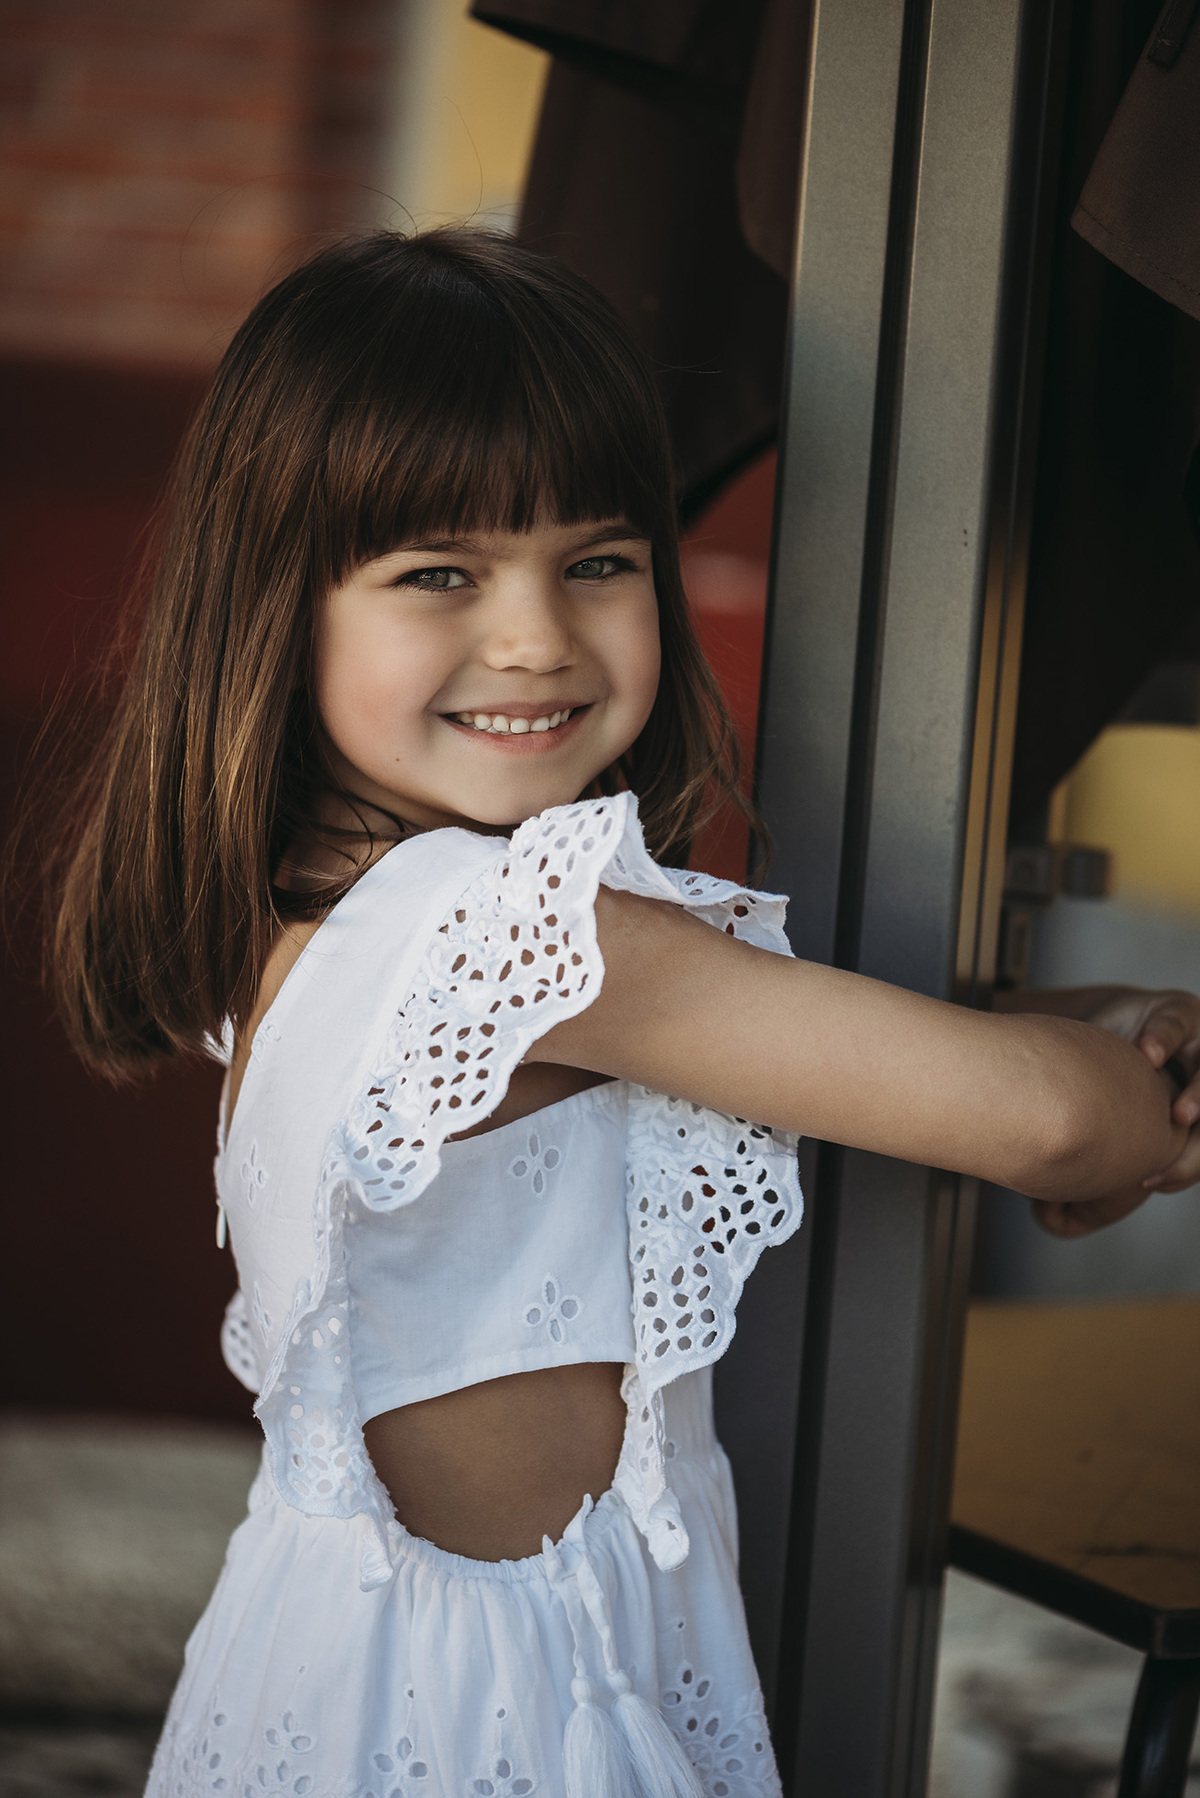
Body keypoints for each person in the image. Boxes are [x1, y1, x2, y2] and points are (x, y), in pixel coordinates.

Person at [45, 228, 1200, 1798]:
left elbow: (815, 1041)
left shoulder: (321, 910)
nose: (534, 634)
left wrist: (1084, 1025)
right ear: (278, 607)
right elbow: (1056, 1117)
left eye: (597, 559)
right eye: (440, 572)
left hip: (328, 1673)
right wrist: (1128, 1101)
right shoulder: (539, 937)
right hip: (507, 1718)